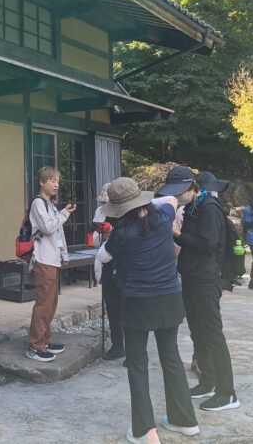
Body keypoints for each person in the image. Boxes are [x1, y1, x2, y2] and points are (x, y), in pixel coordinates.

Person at [94, 177, 199, 444]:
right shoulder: (163, 219)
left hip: (137, 302)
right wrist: (148, 203)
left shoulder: (120, 234)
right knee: (171, 357)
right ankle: (184, 420)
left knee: (138, 364)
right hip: (170, 297)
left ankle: (145, 431)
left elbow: (103, 256)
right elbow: (171, 199)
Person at [164, 166, 239, 412]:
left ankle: (227, 393)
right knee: (198, 332)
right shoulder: (192, 207)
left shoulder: (210, 208)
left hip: (207, 278)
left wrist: (177, 233)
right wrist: (177, 235)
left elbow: (209, 245)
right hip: (191, 276)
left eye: (179, 192)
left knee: (213, 334)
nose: (177, 197)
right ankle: (207, 381)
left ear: (192, 188)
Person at [26, 166, 75, 362]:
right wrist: (64, 214)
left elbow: (58, 233)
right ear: (41, 182)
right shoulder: (38, 203)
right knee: (43, 303)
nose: (56, 184)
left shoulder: (50, 205)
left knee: (51, 302)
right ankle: (35, 345)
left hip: (52, 259)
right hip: (43, 258)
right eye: (52, 180)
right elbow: (48, 227)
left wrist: (64, 254)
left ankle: (45, 340)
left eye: (58, 181)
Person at [94, 183, 125, 361]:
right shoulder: (99, 212)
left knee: (127, 306)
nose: (104, 204)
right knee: (112, 306)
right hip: (106, 262)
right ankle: (117, 345)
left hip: (124, 264)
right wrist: (102, 235)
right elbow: (94, 241)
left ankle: (134, 349)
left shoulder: (127, 213)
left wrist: (114, 233)